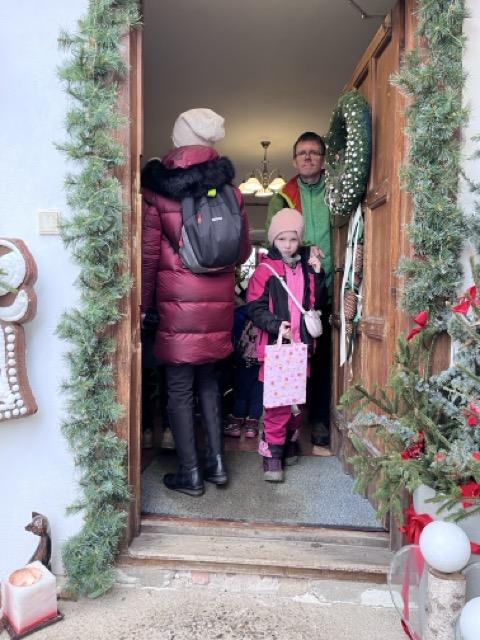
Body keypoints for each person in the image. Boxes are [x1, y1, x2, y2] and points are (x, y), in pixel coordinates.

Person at [141, 108, 251, 497]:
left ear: (178, 139)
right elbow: (242, 251)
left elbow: (149, 256)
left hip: (176, 304)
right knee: (209, 380)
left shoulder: (158, 190)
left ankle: (190, 473)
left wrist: (145, 306)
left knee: (178, 386)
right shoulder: (232, 192)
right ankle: (217, 464)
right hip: (217, 305)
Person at [248, 209, 326, 481]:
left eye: (293, 239)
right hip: (277, 347)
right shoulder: (265, 270)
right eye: (282, 239)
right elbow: (254, 307)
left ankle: (289, 442)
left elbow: (316, 304)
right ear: (273, 240)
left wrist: (319, 274)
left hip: (301, 346)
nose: (288, 245)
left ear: (299, 240)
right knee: (277, 404)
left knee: (296, 401)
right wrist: (274, 324)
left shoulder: (307, 268)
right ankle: (272, 454)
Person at [265, 132, 332, 448]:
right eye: (302, 153)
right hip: (298, 290)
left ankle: (319, 418)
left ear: (323, 158)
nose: (308, 157)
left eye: (314, 152)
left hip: (334, 285)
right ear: (294, 160)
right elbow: (274, 244)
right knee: (296, 354)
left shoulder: (338, 190)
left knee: (325, 355)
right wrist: (305, 251)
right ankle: (290, 424)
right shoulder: (283, 197)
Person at [223, 293, 263, 440]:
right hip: (261, 361)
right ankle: (252, 424)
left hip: (241, 361)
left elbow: (232, 335)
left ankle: (236, 422)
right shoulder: (265, 313)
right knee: (258, 393)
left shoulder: (239, 314)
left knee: (240, 392)